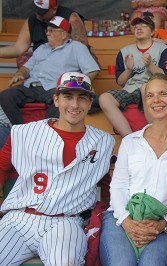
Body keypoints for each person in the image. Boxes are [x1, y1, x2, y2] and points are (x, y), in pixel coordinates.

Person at [0, 72, 115, 265]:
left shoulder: (103, 141)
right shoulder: (25, 132)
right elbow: (2, 167)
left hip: (66, 222)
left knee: (65, 262)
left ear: (89, 103)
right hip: (19, 218)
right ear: (56, 99)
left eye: (82, 98)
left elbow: (105, 183)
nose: (74, 105)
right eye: (67, 96)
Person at [99, 73, 167, 265]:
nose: (156, 100)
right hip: (120, 218)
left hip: (159, 224)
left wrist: (162, 223)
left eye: (162, 94)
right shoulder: (130, 142)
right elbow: (117, 187)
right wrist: (127, 221)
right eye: (149, 95)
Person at [0, 16, 100, 128]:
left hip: (54, 87)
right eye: (47, 30)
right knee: (6, 96)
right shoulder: (42, 48)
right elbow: (26, 68)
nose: (47, 33)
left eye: (51, 31)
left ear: (64, 34)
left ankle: (48, 132)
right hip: (31, 86)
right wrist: (20, 74)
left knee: (61, 99)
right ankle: (19, 129)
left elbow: (93, 70)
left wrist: (76, 85)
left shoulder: (77, 48)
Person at [99, 14, 167, 137]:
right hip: (130, 90)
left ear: (152, 31)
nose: (139, 28)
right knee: (104, 98)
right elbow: (120, 81)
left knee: (145, 87)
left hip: (151, 88)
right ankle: (129, 138)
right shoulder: (125, 51)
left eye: (144, 25)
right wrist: (129, 69)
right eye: (136, 26)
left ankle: (156, 133)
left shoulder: (162, 49)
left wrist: (150, 66)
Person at [0, 0, 92, 66]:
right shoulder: (32, 19)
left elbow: (81, 47)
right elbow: (19, 48)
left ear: (54, 9)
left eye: (42, 12)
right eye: (36, 10)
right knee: (24, 58)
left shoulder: (72, 17)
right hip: (41, 58)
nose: (37, 14)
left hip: (65, 59)